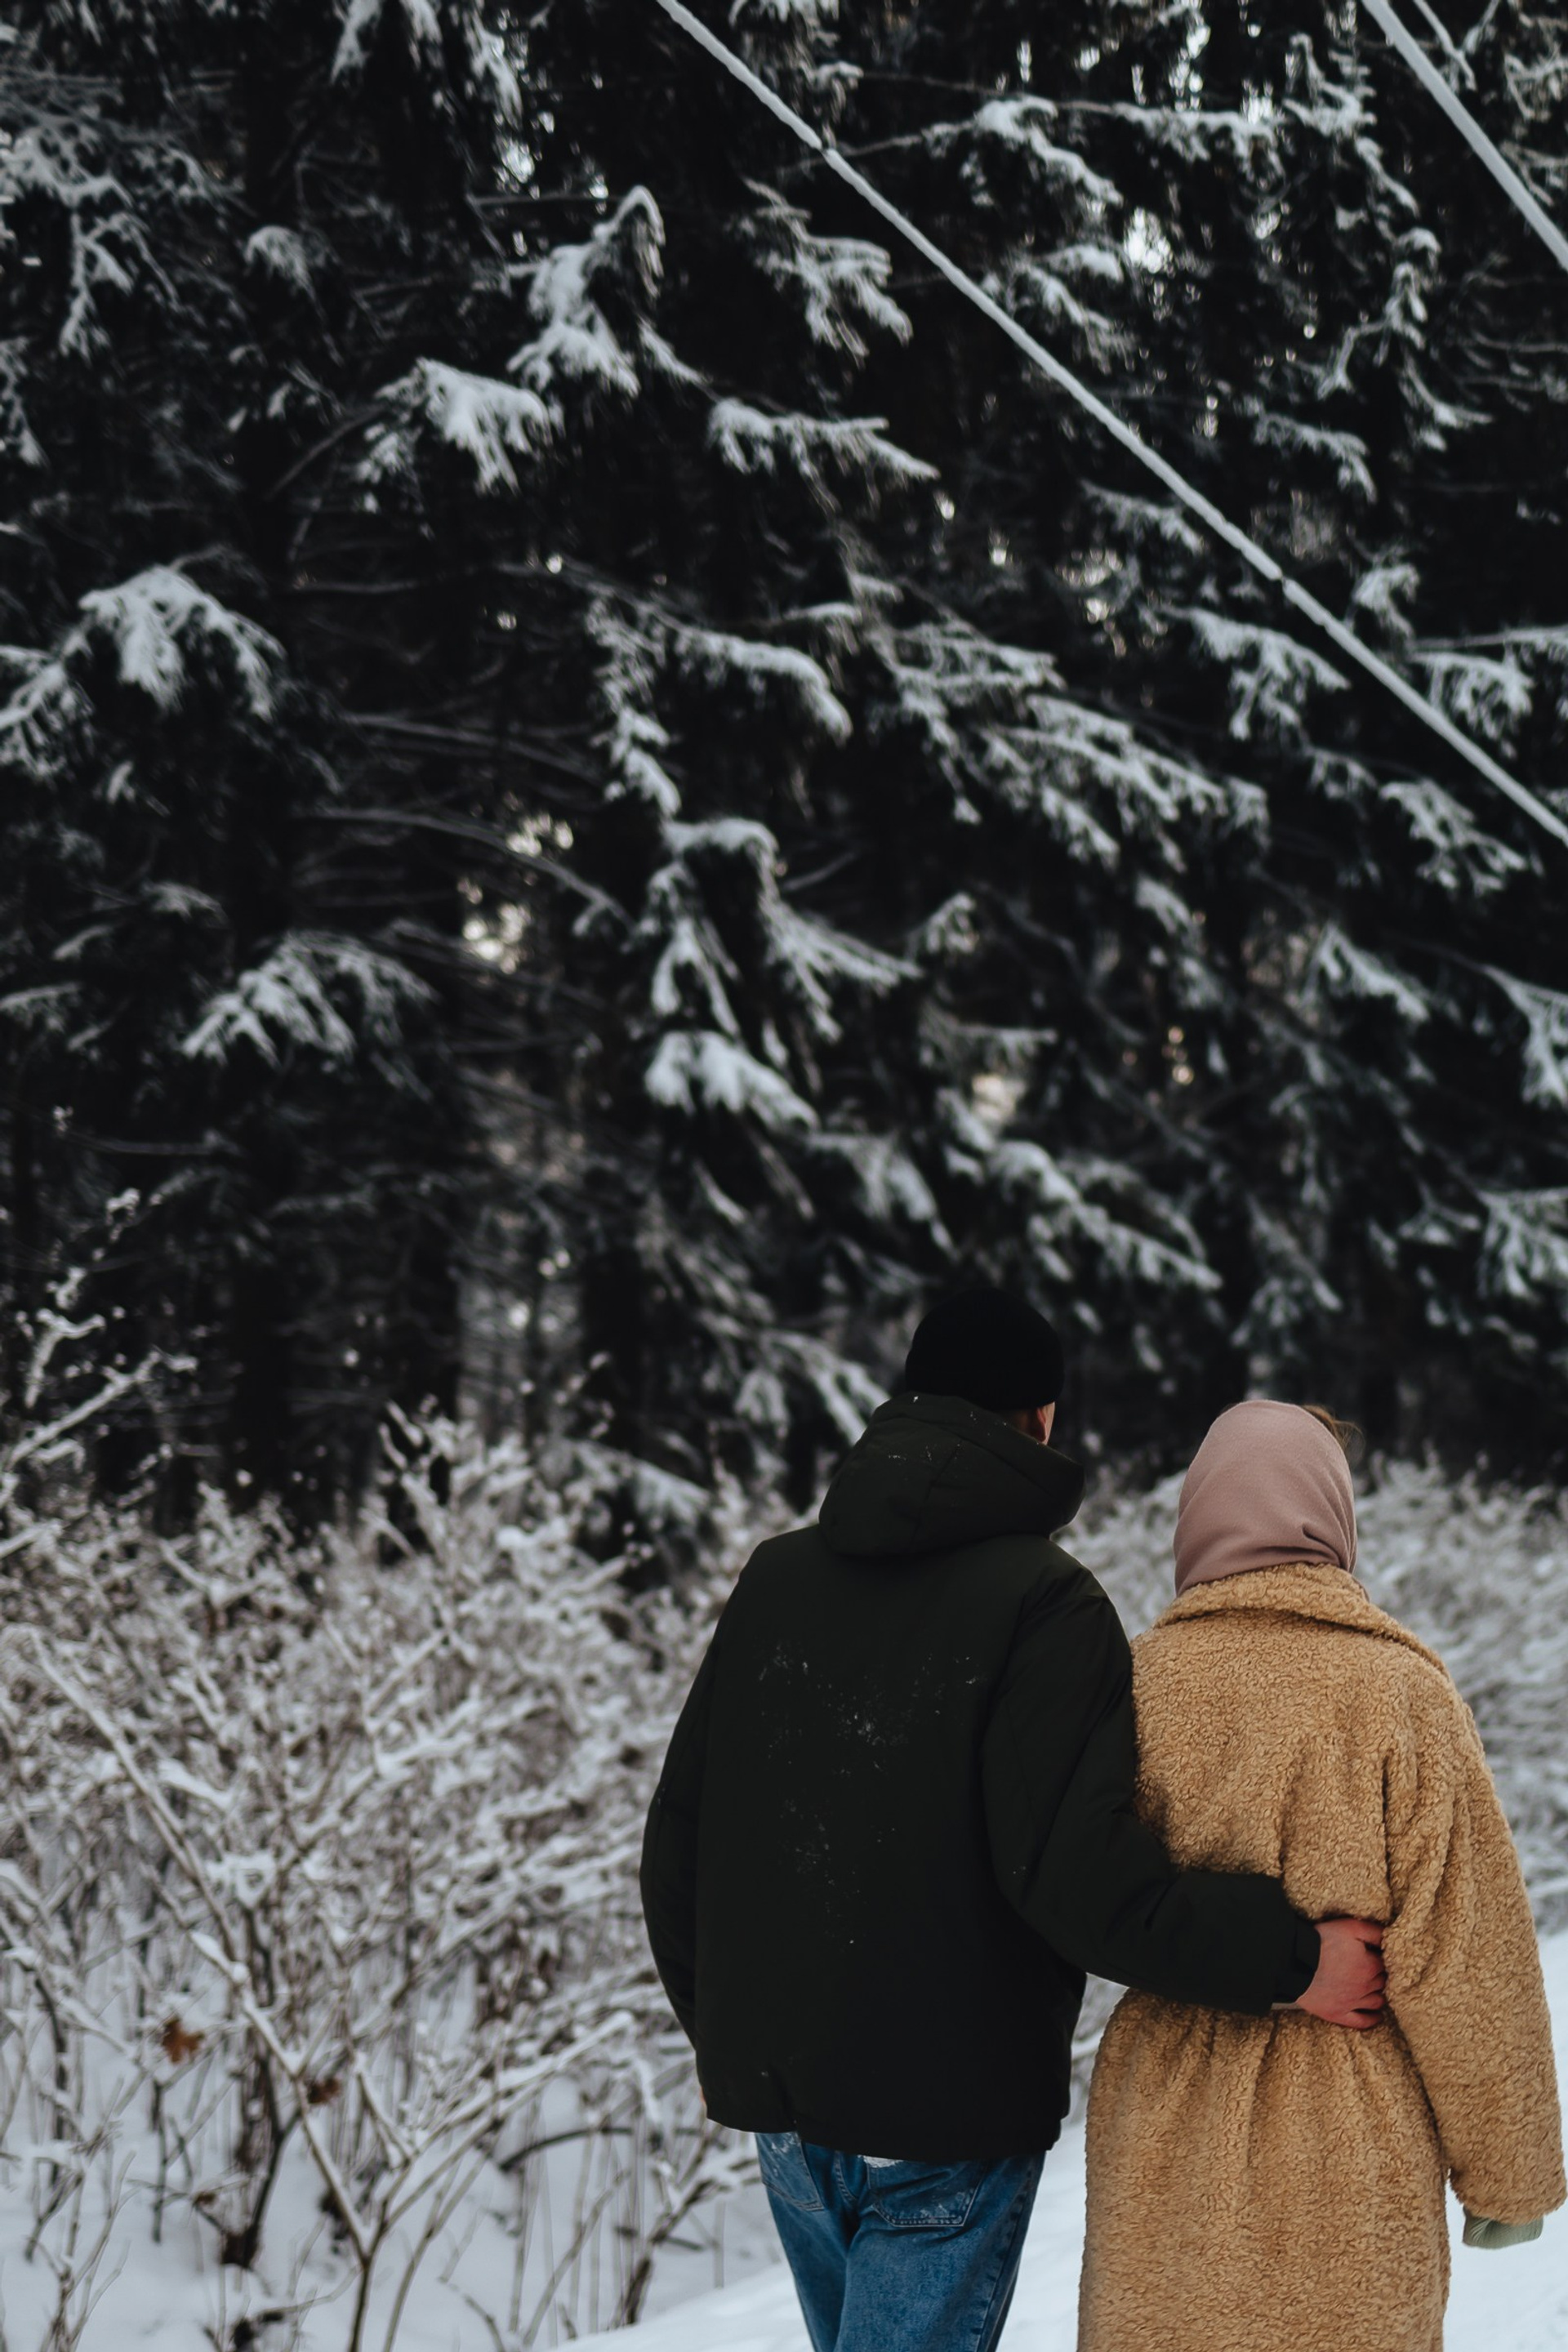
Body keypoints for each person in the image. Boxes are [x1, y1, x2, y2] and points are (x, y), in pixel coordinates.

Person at [640, 1292, 1387, 2352]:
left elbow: (677, 1850)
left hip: (786, 2118)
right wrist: (1296, 1960)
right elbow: (1079, 1883)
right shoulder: (1047, 1603)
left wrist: (747, 2039)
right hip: (945, 2123)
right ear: (1041, 1418)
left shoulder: (777, 1578)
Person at [1079, 1398, 1566, 2352]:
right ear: (1331, 1514)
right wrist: (1509, 2176)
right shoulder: (1402, 1694)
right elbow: (1466, 1952)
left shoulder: (1130, 1686)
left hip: (1165, 2120)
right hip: (1351, 2122)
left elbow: (1085, 1894)